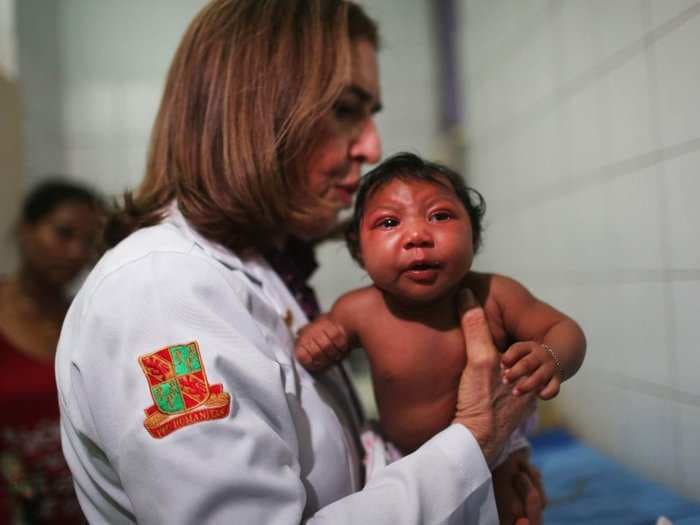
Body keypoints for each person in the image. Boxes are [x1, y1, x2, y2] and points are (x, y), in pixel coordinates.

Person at [55, 1, 543, 523]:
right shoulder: (157, 297)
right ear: (251, 112)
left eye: (370, 114)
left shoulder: (261, 273)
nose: (372, 146)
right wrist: (473, 439)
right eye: (344, 110)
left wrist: (480, 491)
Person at [294, 153, 586, 522]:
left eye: (440, 216)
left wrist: (551, 358)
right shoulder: (358, 310)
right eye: (388, 222)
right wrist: (316, 341)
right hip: (400, 460)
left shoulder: (495, 294)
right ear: (358, 249)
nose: (417, 236)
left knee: (511, 506)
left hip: (494, 453)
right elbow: (312, 345)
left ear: (475, 235)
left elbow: (565, 331)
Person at [1, 179, 102, 524]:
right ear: (26, 231)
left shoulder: (89, 320)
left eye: (89, 243)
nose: (77, 253)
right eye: (63, 233)